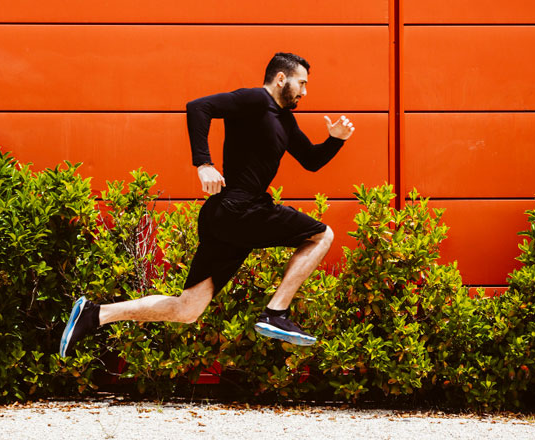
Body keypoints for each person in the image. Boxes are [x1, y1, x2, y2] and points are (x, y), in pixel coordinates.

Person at [59, 52, 354, 357]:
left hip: (228, 218)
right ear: (281, 78)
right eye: (301, 83)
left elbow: (311, 160)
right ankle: (275, 313)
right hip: (240, 209)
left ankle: (95, 314)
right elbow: (199, 107)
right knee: (322, 235)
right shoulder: (254, 100)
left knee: (187, 309)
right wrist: (203, 164)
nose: (304, 92)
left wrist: (335, 139)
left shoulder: (285, 121)